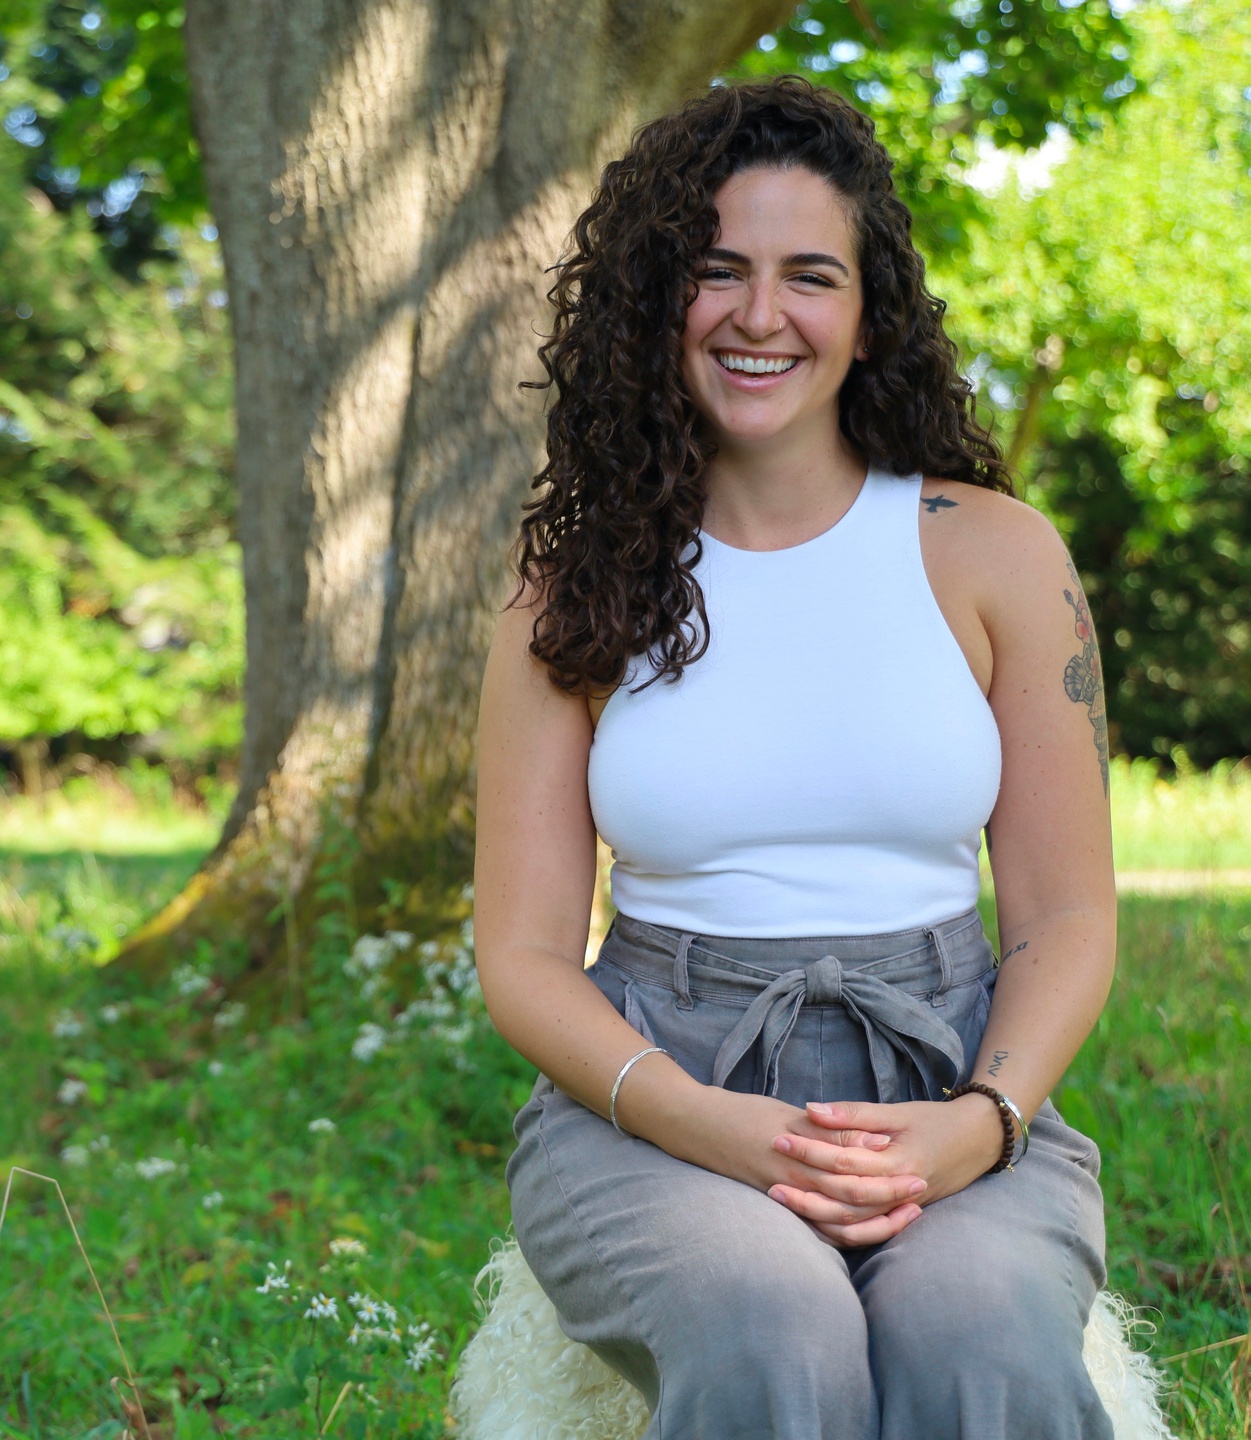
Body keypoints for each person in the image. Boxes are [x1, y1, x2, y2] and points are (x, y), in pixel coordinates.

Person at [473, 76, 1116, 1440]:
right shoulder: (574, 591)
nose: (760, 315)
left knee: (984, 1336)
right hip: (655, 1083)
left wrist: (981, 1122)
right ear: (658, 299)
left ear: (869, 314)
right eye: (718, 271)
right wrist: (708, 1123)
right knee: (774, 1326)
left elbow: (1067, 914)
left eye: (809, 276)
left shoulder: (996, 554)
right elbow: (522, 957)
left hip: (947, 1064)